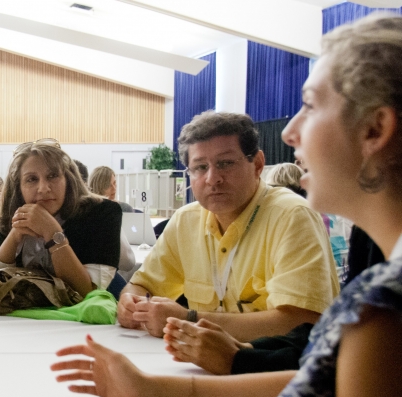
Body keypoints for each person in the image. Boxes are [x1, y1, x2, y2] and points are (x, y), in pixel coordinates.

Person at [52, 14, 402, 397]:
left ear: (375, 129)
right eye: (200, 168)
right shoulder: (377, 270)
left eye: (309, 104)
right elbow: (321, 389)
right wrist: (147, 385)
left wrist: (191, 328)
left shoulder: (382, 307)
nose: (290, 132)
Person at [117, 111, 339, 341]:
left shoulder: (292, 217)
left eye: (225, 163)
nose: (213, 178)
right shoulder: (186, 221)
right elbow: (141, 286)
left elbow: (300, 323)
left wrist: (189, 320)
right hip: (198, 367)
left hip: (275, 371)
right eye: (200, 167)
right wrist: (130, 304)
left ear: (258, 164)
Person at [0, 139, 121, 296]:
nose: (43, 188)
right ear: (19, 188)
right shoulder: (14, 214)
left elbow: (88, 291)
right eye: (31, 179)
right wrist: (14, 236)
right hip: (21, 317)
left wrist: (52, 232)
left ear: (68, 180)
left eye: (53, 176)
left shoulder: (102, 213)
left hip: (79, 318)